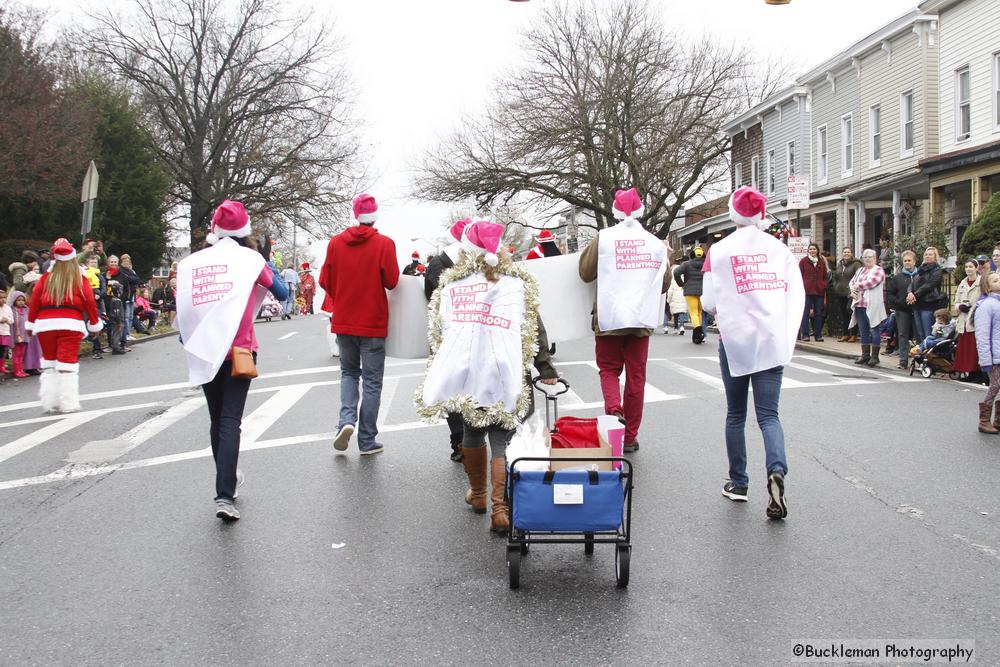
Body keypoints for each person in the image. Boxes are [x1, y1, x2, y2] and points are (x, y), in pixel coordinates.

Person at [416, 219, 558, 535]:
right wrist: (545, 368)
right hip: (506, 371)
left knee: (472, 431)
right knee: (502, 438)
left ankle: (479, 495)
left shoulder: (452, 286)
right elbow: (533, 328)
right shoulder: (516, 283)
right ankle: (501, 509)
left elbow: (438, 333)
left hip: (469, 372)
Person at [176, 200, 288, 521]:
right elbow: (280, 293)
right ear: (244, 230)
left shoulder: (193, 263)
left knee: (217, 419)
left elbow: (185, 306)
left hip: (205, 349)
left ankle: (227, 481)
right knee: (230, 421)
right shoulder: (250, 260)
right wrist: (266, 264)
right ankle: (225, 493)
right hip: (239, 350)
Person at [701, 186, 804, 520]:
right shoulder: (780, 250)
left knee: (735, 414)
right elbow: (794, 293)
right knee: (769, 416)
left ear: (733, 212)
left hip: (736, 340)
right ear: (761, 213)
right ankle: (776, 470)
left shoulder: (718, 251)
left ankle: (738, 482)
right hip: (770, 339)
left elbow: (708, 302)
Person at [579, 187, 669, 452]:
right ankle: (629, 436)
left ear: (615, 211)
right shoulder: (655, 242)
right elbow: (663, 284)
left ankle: (613, 411)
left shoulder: (604, 238)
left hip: (609, 317)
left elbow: (585, 273)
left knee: (608, 370)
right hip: (640, 319)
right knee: (636, 377)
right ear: (640, 210)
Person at [319, 193, 400, 456]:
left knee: (348, 373)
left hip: (343, 321)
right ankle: (366, 440)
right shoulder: (384, 244)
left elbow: (324, 280)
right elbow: (392, 281)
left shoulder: (335, 244)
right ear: (375, 216)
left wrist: (341, 294)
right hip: (373, 322)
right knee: (373, 382)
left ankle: (345, 421)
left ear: (355, 215)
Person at [25, 239, 103, 413]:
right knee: (67, 365)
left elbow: (35, 303)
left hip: (45, 325)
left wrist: (30, 325)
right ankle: (68, 403)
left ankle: (50, 401)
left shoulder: (46, 278)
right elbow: (90, 303)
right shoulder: (79, 278)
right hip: (71, 325)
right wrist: (94, 324)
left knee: (50, 364)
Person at [424, 220, 468, 463]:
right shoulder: (482, 261)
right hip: (476, 334)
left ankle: (460, 441)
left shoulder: (436, 265)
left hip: (446, 335)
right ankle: (477, 437)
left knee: (452, 388)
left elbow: (429, 299)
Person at [849, 249, 887, 367]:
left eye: (870, 257)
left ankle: (875, 357)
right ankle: (865, 355)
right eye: (865, 257)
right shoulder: (860, 270)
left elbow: (871, 283)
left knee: (874, 329)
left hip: (873, 304)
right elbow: (852, 282)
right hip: (859, 304)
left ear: (875, 258)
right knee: (863, 330)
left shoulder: (879, 270)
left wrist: (856, 286)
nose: (868, 259)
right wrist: (853, 288)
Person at [974, 273, 1000, 433]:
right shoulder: (986, 305)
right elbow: (982, 335)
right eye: (995, 280)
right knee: (995, 385)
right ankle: (984, 420)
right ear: (987, 286)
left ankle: (998, 420)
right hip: (994, 356)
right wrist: (985, 360)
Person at [886, 250, 919, 369]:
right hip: (902, 310)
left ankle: (919, 360)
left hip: (917, 309)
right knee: (903, 335)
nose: (907, 263)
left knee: (918, 335)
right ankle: (903, 360)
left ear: (914, 261)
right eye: (905, 261)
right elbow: (890, 294)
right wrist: (899, 302)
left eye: (909, 260)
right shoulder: (897, 278)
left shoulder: (919, 276)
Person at [952, 259, 982, 377]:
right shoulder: (962, 284)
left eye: (970, 267)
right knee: (963, 349)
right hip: (963, 320)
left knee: (973, 349)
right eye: (966, 267)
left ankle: (974, 372)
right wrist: (960, 306)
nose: (968, 269)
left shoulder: (981, 283)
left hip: (974, 320)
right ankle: (964, 371)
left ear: (976, 268)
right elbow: (956, 301)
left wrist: (972, 308)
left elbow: (983, 299)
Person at [909, 246, 944, 342]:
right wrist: (910, 293)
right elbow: (912, 283)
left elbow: (930, 285)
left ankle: (928, 354)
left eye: (930, 254)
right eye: (926, 254)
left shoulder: (937, 270)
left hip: (928, 305)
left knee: (927, 333)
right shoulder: (920, 270)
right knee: (920, 334)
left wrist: (915, 294)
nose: (928, 256)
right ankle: (922, 353)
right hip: (917, 305)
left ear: (935, 256)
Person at [673, 246, 707, 344]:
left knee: (693, 312)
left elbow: (676, 272)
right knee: (699, 312)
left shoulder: (687, 264)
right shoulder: (706, 264)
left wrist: (681, 284)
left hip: (689, 291)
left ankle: (698, 332)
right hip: (703, 291)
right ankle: (699, 334)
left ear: (692, 254)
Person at [831, 247, 862, 342]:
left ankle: (853, 334)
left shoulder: (856, 264)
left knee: (851, 312)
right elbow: (836, 276)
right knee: (844, 314)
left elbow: (859, 277)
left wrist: (853, 290)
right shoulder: (840, 264)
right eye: (845, 252)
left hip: (851, 293)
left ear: (851, 253)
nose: (846, 254)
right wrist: (835, 286)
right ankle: (845, 334)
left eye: (848, 252)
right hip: (841, 293)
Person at [798, 242, 828, 341]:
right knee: (806, 313)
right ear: (808, 250)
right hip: (806, 291)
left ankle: (818, 335)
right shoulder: (803, 261)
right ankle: (805, 334)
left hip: (819, 291)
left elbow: (825, 276)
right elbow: (799, 275)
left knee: (818, 313)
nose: (812, 251)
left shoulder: (821, 262)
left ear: (817, 250)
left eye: (814, 249)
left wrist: (823, 285)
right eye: (810, 249)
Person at [118, 254, 141, 345]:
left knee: (131, 316)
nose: (127, 263)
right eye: (125, 261)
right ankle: (125, 334)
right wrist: (131, 279)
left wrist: (131, 278)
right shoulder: (121, 270)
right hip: (126, 295)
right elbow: (125, 279)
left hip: (132, 295)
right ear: (122, 262)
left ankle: (128, 333)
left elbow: (137, 280)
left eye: (128, 261)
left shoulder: (131, 271)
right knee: (126, 316)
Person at [10, 292, 30, 378]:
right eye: (19, 300)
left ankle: (21, 370)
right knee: (16, 354)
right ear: (14, 301)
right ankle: (16, 371)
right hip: (16, 336)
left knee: (22, 354)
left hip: (25, 336)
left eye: (23, 300)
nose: (21, 302)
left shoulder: (27, 310)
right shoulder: (13, 310)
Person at [0, 290, 11, 374]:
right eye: (0, 298)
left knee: (3, 350)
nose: (2, 299)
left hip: (5, 332)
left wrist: (7, 320)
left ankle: (2, 366)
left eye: (4, 297)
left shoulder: (7, 308)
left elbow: (12, 320)